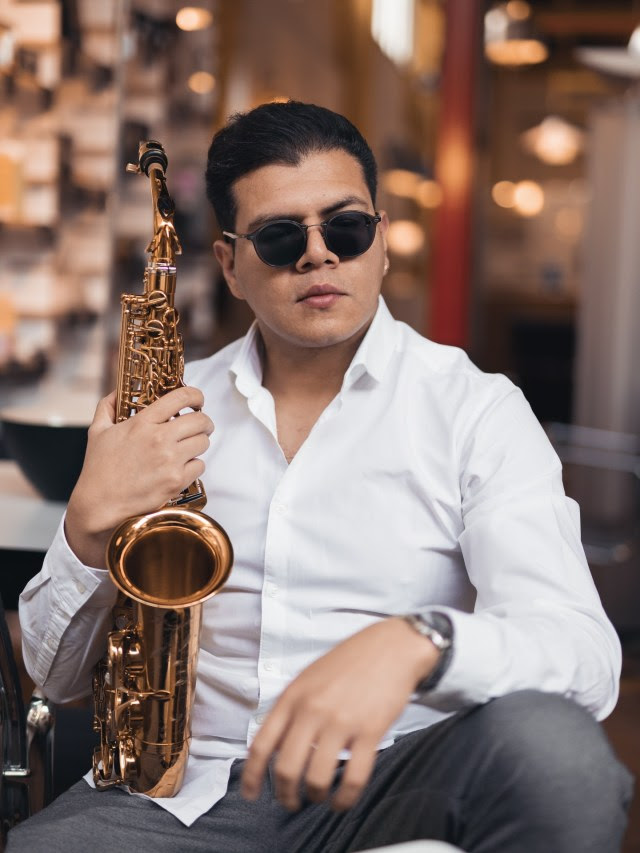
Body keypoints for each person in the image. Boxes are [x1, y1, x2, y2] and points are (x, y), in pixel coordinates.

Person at [10, 101, 632, 852]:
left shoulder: (477, 409)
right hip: (187, 795)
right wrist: (87, 525)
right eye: (281, 237)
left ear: (382, 242)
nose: (318, 256)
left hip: (395, 779)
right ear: (232, 266)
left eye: (346, 228)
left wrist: (420, 642)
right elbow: (56, 681)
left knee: (559, 756)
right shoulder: (160, 411)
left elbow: (583, 656)